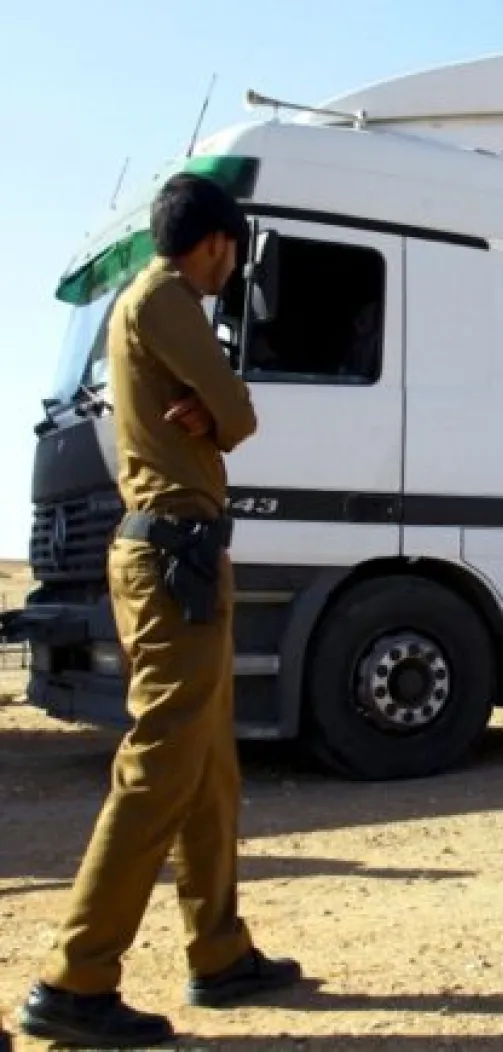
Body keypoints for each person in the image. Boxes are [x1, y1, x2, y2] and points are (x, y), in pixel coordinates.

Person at [17, 174, 301, 1047]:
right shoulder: (168, 297)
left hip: (180, 553)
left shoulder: (149, 305)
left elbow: (219, 410)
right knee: (160, 769)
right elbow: (241, 410)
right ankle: (76, 976)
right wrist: (217, 410)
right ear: (216, 242)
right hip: (172, 556)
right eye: (231, 254)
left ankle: (219, 953)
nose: (228, 271)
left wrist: (210, 412)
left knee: (207, 765)